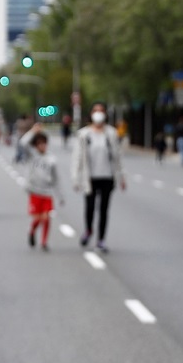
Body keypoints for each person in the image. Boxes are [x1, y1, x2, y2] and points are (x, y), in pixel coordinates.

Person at [73, 102, 125, 252]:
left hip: (107, 176)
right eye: (96, 110)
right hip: (90, 177)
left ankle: (101, 239)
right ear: (91, 114)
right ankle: (88, 230)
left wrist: (121, 177)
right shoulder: (84, 134)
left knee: (103, 210)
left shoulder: (111, 133)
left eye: (101, 110)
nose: (98, 113)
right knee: (89, 207)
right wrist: (76, 178)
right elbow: (77, 158)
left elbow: (118, 157)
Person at [23, 130, 65, 250]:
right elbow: (23, 143)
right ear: (36, 145)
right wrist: (32, 131)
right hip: (35, 191)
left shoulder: (51, 159)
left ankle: (44, 241)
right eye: (39, 144)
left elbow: (56, 179)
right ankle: (32, 230)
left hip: (47, 192)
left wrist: (60, 196)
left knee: (46, 217)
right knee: (38, 218)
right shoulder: (32, 156)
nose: (42, 146)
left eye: (44, 143)